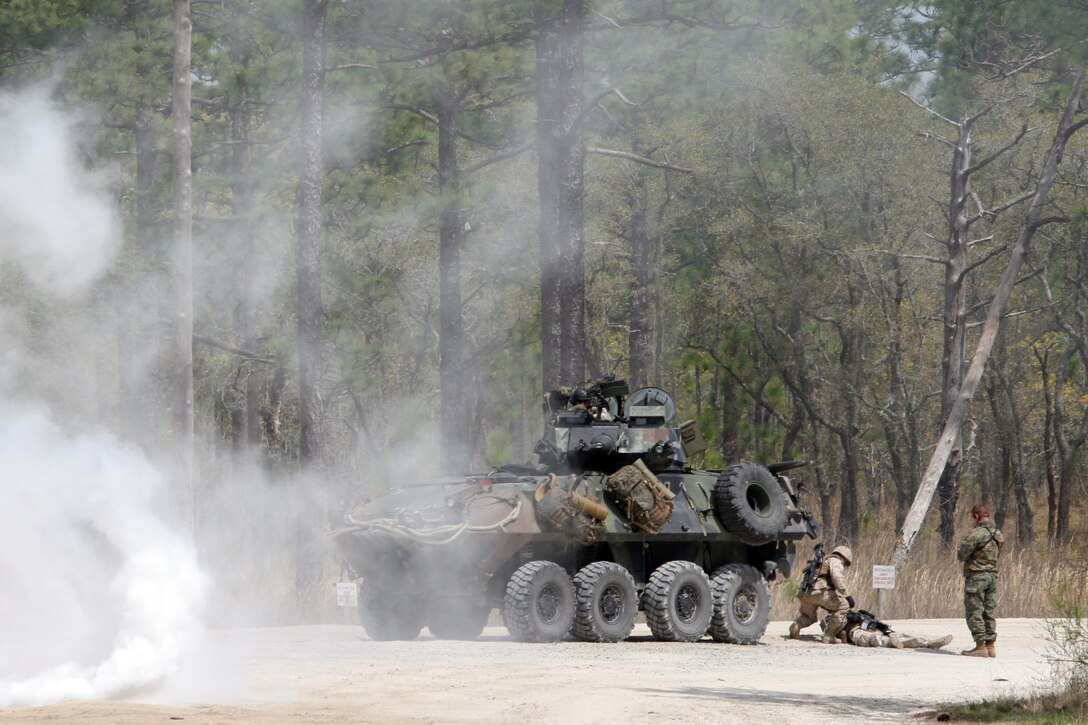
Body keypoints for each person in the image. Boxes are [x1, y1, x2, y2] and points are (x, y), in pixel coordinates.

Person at [957, 503, 1004, 658]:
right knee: (988, 611)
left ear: (976, 516)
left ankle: (980, 646)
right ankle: (990, 646)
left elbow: (961, 555)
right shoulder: (998, 534)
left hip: (977, 576)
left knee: (974, 610)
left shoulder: (975, 534)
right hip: (992, 576)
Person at [789, 545, 855, 643]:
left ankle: (796, 627)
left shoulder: (822, 561)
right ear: (844, 558)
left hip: (806, 592)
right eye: (845, 563)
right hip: (820, 591)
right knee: (844, 606)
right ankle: (829, 635)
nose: (844, 565)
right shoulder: (835, 560)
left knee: (809, 617)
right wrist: (848, 596)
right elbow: (837, 578)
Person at [822, 610, 954, 650]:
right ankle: (893, 642)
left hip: (869, 627)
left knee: (900, 634)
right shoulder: (829, 622)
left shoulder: (852, 613)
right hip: (856, 632)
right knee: (876, 640)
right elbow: (841, 635)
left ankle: (927, 642)